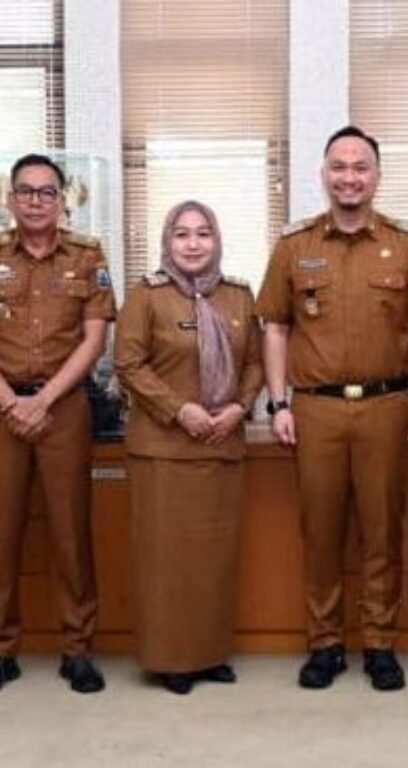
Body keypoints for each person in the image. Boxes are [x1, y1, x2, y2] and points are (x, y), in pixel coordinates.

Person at [256, 126, 408, 692]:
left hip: (386, 405)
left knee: (384, 532)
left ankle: (381, 645)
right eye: (340, 166)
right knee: (322, 531)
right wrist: (279, 402)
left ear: (377, 176)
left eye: (361, 167)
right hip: (315, 411)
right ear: (324, 174)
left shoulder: (407, 245)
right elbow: (276, 327)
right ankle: (325, 644)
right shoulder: (295, 245)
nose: (350, 177)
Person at [115, 201, 263, 695]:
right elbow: (129, 364)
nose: (194, 243)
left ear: (217, 240)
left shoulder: (240, 297)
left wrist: (241, 407)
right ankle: (172, 659)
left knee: (213, 561)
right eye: (182, 235)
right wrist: (180, 409)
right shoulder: (146, 296)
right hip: (164, 452)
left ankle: (210, 653)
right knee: (168, 563)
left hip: (222, 446)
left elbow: (256, 364)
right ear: (168, 242)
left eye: (203, 234)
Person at [0, 153, 116, 694]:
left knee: (71, 532)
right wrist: (10, 402)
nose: (36, 201)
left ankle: (78, 650)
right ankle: (3, 648)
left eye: (47, 192)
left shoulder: (88, 256)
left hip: (64, 407)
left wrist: (42, 399)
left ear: (62, 199)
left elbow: (95, 339)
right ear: (10, 199)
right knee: (2, 534)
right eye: (26, 191)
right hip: (1, 408)